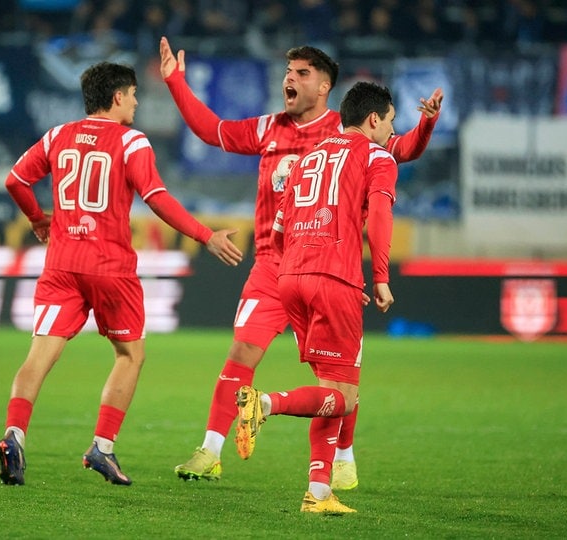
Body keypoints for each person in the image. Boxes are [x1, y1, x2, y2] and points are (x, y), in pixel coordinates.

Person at [160, 35, 443, 488]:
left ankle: (343, 456)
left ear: (325, 86)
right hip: (274, 264)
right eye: (288, 72)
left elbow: (402, 149)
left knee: (337, 376)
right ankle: (210, 450)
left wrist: (425, 125)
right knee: (244, 352)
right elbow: (209, 129)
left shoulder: (345, 130)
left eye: (302, 73)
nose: (289, 79)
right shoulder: (268, 128)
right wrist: (175, 81)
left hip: (328, 260)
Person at [0, 61, 244, 487]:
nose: (136, 101)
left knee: (38, 355)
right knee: (130, 355)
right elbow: (157, 197)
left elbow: (15, 180)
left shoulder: (58, 135)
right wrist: (205, 235)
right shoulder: (131, 141)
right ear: (116, 97)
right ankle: (102, 447)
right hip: (110, 268)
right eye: (132, 94)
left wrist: (39, 219)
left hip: (61, 263)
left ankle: (14, 435)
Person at [235, 80, 399, 514]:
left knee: (328, 388)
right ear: (373, 119)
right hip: (333, 278)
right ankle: (264, 402)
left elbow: (278, 230)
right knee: (344, 397)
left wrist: (318, 273)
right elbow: (380, 215)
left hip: (290, 276)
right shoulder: (377, 155)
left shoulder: (309, 157)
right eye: (391, 122)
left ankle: (319, 492)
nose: (390, 132)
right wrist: (377, 277)